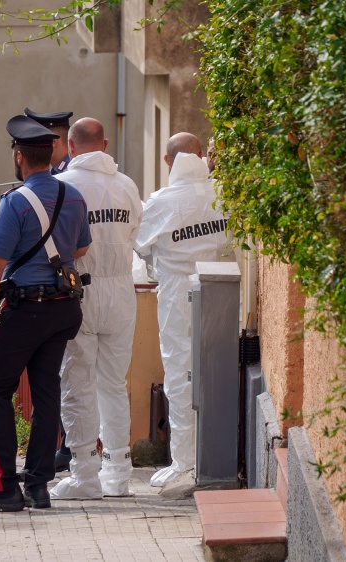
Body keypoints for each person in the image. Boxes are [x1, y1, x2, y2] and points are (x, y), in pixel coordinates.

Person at [0, 115, 91, 512]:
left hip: (24, 308)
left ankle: (4, 487)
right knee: (47, 395)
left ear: (19, 157)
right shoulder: (74, 196)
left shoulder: (15, 202)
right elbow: (79, 250)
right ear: (51, 154)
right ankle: (40, 485)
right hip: (63, 310)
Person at [49, 118, 143, 500]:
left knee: (77, 383)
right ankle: (118, 473)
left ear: (70, 147)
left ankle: (85, 473)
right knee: (113, 384)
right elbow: (135, 231)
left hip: (80, 290)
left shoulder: (64, 186)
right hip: (122, 288)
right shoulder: (127, 185)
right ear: (104, 144)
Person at [134, 132, 234, 488]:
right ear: (203, 155)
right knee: (220, 369)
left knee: (180, 372)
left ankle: (185, 464)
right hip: (224, 288)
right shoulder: (223, 195)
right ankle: (218, 460)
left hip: (178, 293)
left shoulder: (161, 202)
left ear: (167, 162)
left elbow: (139, 246)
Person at [24, 107, 74, 175]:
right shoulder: (58, 171)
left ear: (53, 142)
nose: (34, 147)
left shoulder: (70, 172)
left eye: (38, 141)